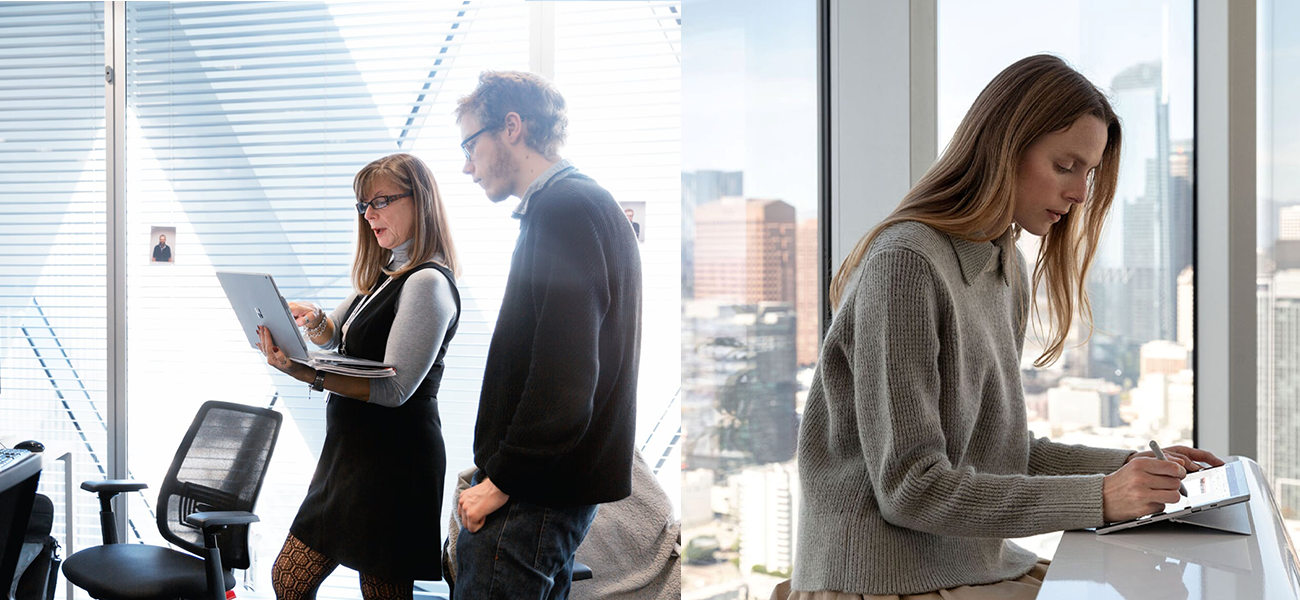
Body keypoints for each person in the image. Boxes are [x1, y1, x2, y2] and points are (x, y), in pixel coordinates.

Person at [779, 54, 1223, 600]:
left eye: (1090, 172)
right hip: (886, 581)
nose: (1081, 194)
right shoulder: (906, 265)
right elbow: (911, 488)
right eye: (1066, 166)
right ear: (1004, 149)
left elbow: (1002, 450)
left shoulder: (1001, 262)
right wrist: (1102, 497)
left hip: (972, 566)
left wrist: (1134, 468)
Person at [453, 70, 642, 600]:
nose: (467, 165)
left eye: (471, 144)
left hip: (530, 501)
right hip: (549, 495)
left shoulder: (565, 210)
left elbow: (565, 377)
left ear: (511, 127)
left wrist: (500, 483)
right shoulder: (582, 204)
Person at [257, 153, 461, 599]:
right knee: (288, 579)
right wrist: (312, 321)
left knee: (379, 592)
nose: (368, 215)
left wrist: (304, 372)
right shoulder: (388, 274)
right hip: (350, 454)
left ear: (419, 201)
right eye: (362, 205)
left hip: (395, 463)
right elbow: (337, 336)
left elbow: (394, 388)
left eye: (380, 201)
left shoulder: (427, 283)